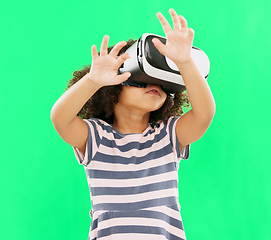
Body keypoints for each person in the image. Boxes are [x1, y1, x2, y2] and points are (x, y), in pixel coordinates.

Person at [50, 8, 215, 240]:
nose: (153, 84)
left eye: (160, 81)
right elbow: (60, 118)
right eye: (142, 78)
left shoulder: (167, 136)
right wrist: (93, 80)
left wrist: (185, 62)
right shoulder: (96, 137)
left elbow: (204, 114)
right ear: (112, 88)